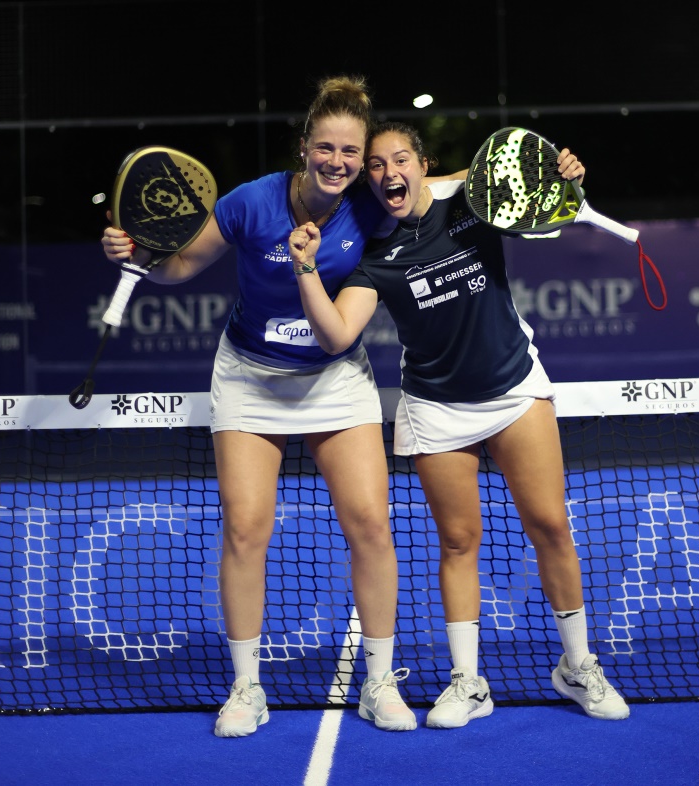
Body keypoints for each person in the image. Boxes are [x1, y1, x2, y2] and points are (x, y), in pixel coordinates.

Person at [101, 79, 460, 737]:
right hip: (248, 378)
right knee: (245, 529)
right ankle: (246, 688)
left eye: (350, 151)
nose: (338, 161)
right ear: (304, 148)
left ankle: (378, 681)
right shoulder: (249, 204)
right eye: (325, 147)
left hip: (333, 381)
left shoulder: (368, 207)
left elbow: (449, 182)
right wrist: (139, 253)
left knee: (370, 525)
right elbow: (180, 265)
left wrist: (523, 167)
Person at [289, 121, 631, 728]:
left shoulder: (472, 207)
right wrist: (308, 270)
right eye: (376, 164)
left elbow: (533, 198)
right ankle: (468, 682)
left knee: (551, 525)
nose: (389, 172)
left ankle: (578, 666)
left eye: (401, 159)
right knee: (457, 541)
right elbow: (337, 333)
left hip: (514, 389)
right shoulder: (373, 252)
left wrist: (566, 175)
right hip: (436, 407)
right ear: (370, 178)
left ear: (423, 164)